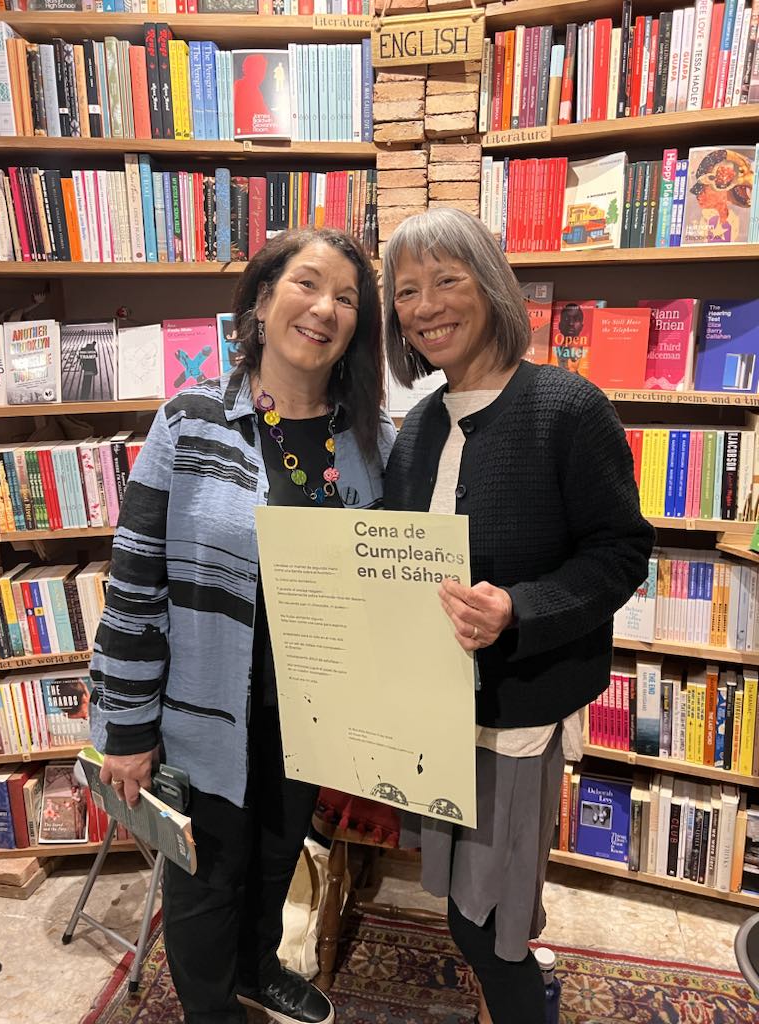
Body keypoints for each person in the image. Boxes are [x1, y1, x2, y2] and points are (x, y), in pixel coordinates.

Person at [89, 226, 395, 1024]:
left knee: (277, 854)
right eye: (306, 284)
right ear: (262, 302)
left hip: (309, 713)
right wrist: (125, 726)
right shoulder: (189, 423)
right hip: (201, 712)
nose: (325, 309)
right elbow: (134, 580)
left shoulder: (372, 442)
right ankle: (211, 1009)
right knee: (205, 882)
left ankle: (260, 966)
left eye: (347, 298)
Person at [381, 208, 655, 1024]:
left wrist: (520, 609)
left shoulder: (566, 407)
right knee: (466, 901)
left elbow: (619, 550)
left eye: (447, 280)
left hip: (515, 717)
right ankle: (528, 984)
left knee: (485, 920)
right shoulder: (417, 428)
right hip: (433, 718)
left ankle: (528, 1004)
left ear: (492, 286)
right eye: (404, 292)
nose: (425, 305)